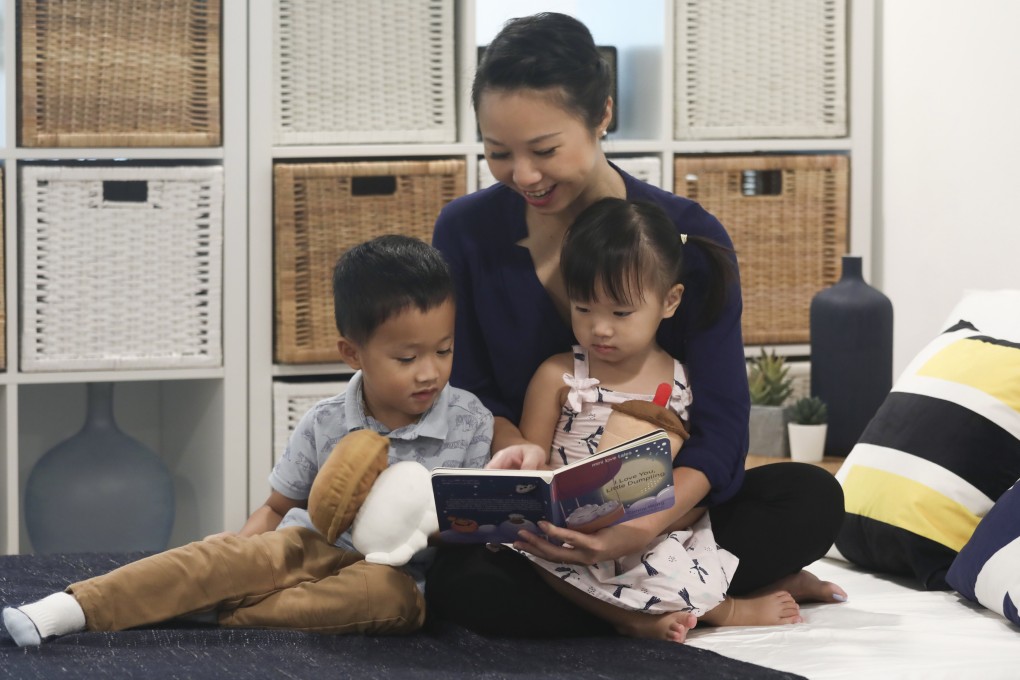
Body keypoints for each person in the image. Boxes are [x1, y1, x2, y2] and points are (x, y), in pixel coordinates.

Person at [426, 12, 846, 638]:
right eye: (497, 152)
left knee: (811, 500)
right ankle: (701, 591)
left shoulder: (685, 235)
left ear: (602, 116)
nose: (524, 176)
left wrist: (640, 526)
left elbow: (724, 422)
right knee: (460, 586)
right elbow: (471, 389)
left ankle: (639, 590)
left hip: (670, 513)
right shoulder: (465, 232)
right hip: (536, 508)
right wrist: (522, 462)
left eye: (544, 150)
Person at [2, 235, 493, 646]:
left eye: (444, 350)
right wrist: (240, 550)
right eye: (406, 359)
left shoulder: (469, 421)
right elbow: (278, 507)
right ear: (352, 353)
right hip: (304, 543)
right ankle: (69, 608)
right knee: (223, 559)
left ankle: (218, 615)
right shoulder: (325, 421)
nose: (430, 372)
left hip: (390, 572)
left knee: (391, 600)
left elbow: (463, 535)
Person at [508, 197, 801, 643]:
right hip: (567, 532)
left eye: (621, 313)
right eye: (583, 308)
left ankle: (730, 606)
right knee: (524, 555)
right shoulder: (557, 374)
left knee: (683, 549)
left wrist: (643, 526)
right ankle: (631, 617)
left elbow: (694, 471)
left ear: (670, 301)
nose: (600, 328)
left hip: (652, 526)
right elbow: (531, 465)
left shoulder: (683, 379)